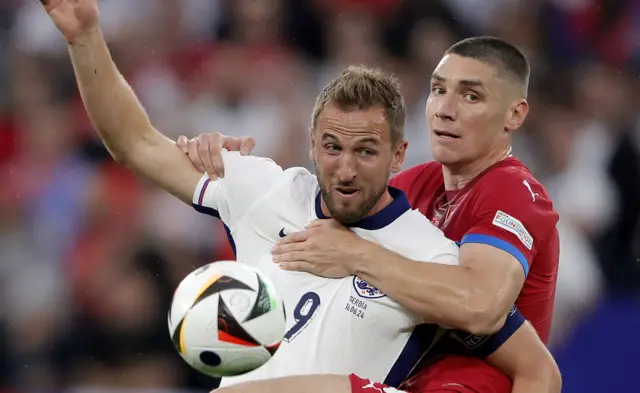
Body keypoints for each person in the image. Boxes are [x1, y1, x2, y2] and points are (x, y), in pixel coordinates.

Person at [35, 2, 561, 392]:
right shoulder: (265, 189)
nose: (345, 167)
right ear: (310, 144)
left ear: (398, 156)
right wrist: (85, 36)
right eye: (331, 146)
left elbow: (524, 354)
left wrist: (354, 254)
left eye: (366, 150)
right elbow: (136, 143)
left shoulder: (430, 256)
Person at [178, 37, 561, 393]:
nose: (445, 110)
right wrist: (222, 161)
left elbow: (484, 312)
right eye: (438, 90)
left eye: (471, 97)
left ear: (515, 114)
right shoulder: (412, 186)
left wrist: (355, 254)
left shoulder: (512, 192)